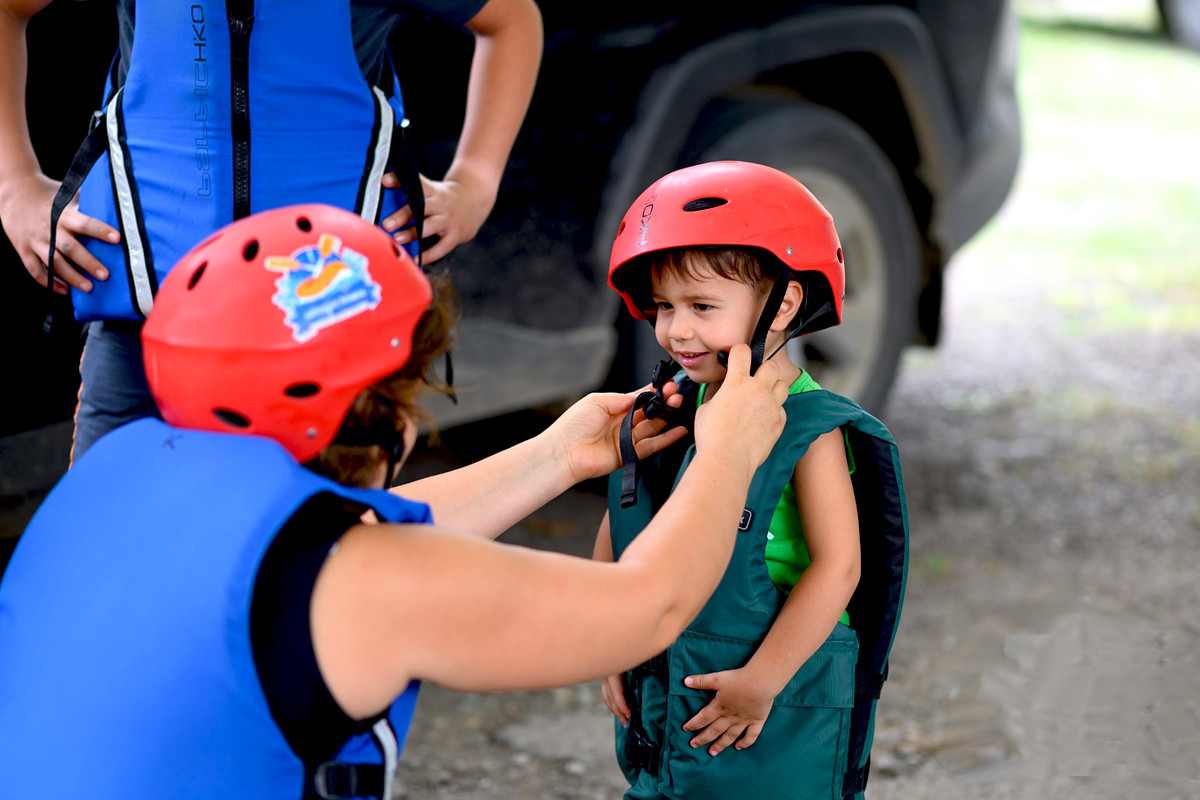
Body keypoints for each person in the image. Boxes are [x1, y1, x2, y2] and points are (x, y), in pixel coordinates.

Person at [0, 203, 791, 799]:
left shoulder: (116, 472)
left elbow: (324, 553)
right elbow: (647, 608)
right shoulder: (365, 581)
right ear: (387, 410)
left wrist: (561, 455)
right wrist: (731, 448)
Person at [0, 0, 542, 459]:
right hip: (144, 332)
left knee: (312, 564)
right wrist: (15, 186)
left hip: (325, 340)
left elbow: (512, 20)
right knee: (112, 551)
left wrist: (475, 182)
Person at [594, 161, 909, 800]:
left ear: (784, 302)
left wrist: (761, 681)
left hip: (768, 695)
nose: (677, 329)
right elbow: (629, 516)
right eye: (663, 307)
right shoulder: (679, 405)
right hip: (673, 677)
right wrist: (608, 640)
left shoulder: (808, 427)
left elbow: (837, 568)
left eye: (702, 306)